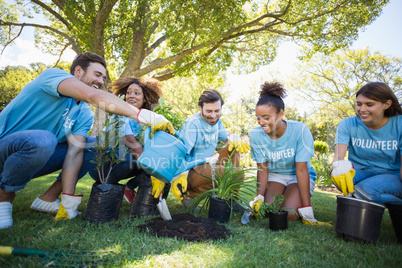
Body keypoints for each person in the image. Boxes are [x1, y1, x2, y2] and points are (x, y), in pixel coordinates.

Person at [0, 52, 174, 229]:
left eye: (103, 78)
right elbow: (93, 96)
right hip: (5, 148)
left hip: (35, 156)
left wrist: (68, 200)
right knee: (44, 139)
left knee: (91, 145)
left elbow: (75, 153)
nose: (100, 81)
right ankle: (4, 197)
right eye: (97, 74)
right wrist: (141, 115)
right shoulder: (53, 76)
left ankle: (48, 198)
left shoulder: (84, 112)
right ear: (78, 71)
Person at [151, 89, 251, 208]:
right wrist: (179, 176)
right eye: (209, 111)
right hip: (191, 170)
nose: (213, 115)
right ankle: (189, 194)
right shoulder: (193, 124)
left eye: (217, 111)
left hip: (208, 163)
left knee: (235, 148)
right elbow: (181, 153)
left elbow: (227, 139)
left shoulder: (216, 121)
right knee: (233, 173)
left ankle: (232, 199)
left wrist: (235, 139)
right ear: (200, 108)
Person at [248, 82, 326, 225]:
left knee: (289, 214)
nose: (261, 122)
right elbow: (262, 168)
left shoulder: (300, 131)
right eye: (258, 118)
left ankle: (296, 199)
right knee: (268, 210)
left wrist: (307, 209)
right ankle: (281, 197)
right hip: (275, 176)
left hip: (297, 176)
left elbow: (302, 170)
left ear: (281, 114)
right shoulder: (255, 135)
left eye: (266, 117)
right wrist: (259, 197)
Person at [89, 76, 168, 206]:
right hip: (103, 166)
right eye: (128, 92)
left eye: (137, 93)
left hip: (124, 163)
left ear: (145, 98)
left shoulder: (145, 120)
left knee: (155, 158)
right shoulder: (120, 114)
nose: (131, 96)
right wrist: (155, 171)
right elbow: (130, 141)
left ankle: (129, 187)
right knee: (141, 157)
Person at [332, 82, 402, 205]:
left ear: (387, 104)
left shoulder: (399, 124)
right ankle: (363, 195)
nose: (362, 109)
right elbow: (338, 157)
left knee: (365, 191)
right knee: (340, 179)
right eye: (359, 104)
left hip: (392, 175)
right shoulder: (347, 124)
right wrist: (338, 169)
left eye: (369, 104)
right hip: (360, 172)